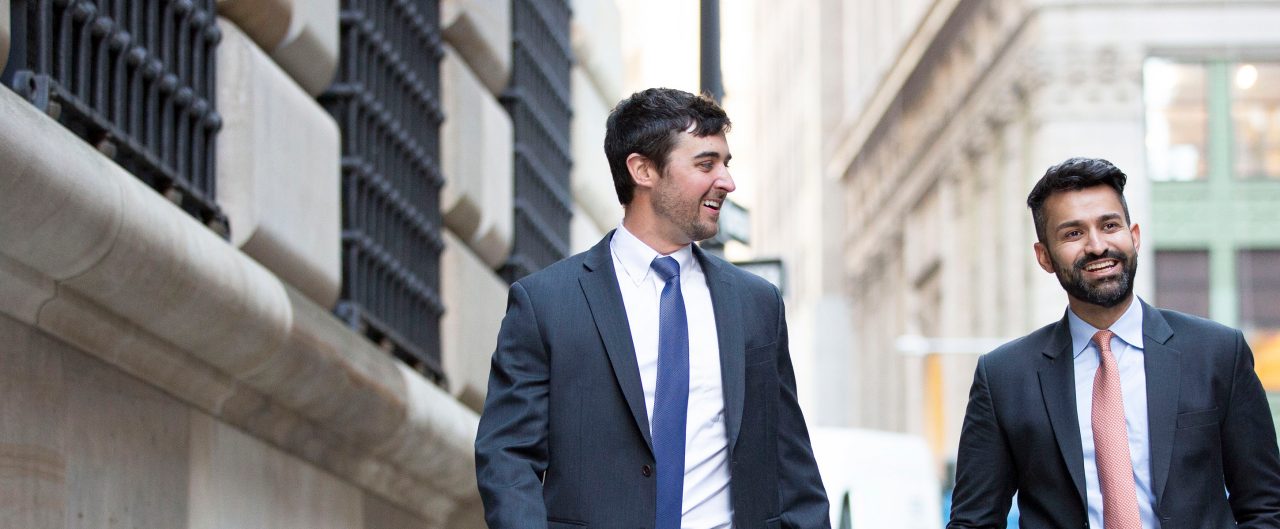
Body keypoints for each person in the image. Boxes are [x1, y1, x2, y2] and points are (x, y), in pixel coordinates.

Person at [474, 88, 830, 529]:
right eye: (706, 164)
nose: (727, 181)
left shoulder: (756, 304)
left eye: (726, 163)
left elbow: (791, 461)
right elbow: (507, 458)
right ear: (643, 170)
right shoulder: (545, 303)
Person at [948, 157, 1280, 528]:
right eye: (1073, 233)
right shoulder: (1004, 377)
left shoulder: (1217, 352)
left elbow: (1265, 507)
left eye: (1109, 226)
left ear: (1134, 236)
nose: (1096, 246)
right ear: (1044, 257)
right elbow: (973, 521)